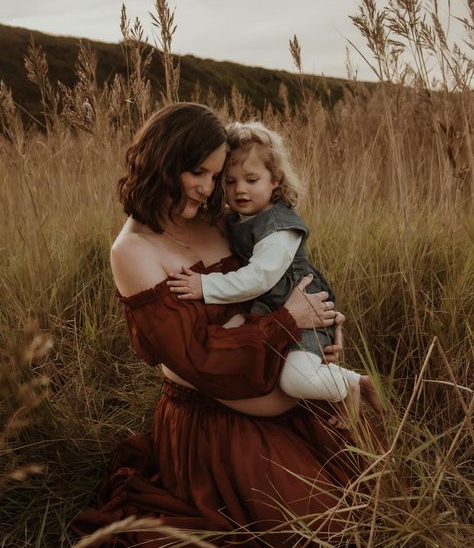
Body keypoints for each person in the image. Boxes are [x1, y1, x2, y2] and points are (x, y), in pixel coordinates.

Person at [73, 103, 371, 547]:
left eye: (217, 176)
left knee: (363, 504)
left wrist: (323, 321)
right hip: (216, 420)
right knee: (315, 529)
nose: (210, 188)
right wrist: (290, 321)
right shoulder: (132, 251)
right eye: (201, 173)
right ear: (165, 161)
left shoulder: (218, 217)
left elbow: (273, 281)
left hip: (283, 380)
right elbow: (200, 359)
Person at [167, 121, 381, 426]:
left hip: (305, 314)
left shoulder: (279, 229)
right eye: (229, 181)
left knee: (294, 382)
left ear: (275, 182)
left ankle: (348, 386)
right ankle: (353, 381)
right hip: (271, 310)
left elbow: (260, 278)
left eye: (252, 179)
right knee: (229, 340)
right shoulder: (241, 217)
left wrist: (205, 285)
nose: (240, 189)